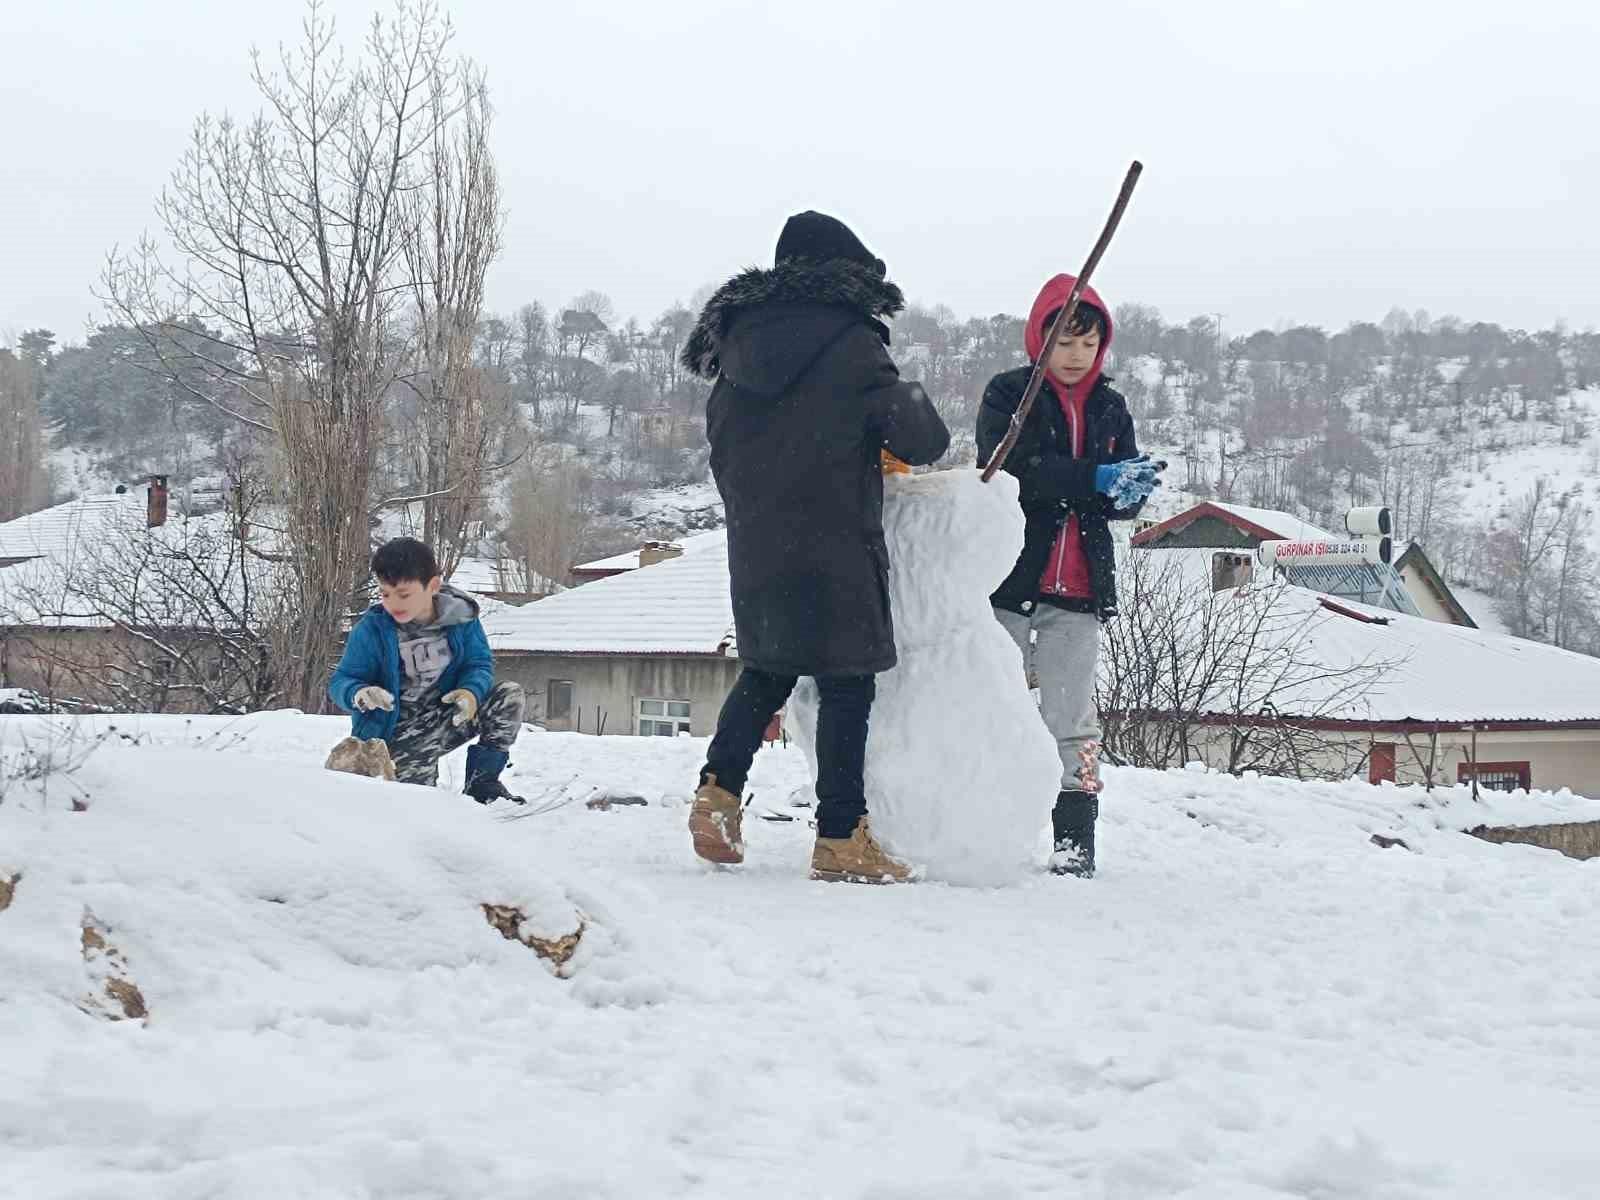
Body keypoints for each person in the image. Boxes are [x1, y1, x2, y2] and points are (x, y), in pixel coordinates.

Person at [681, 210, 950, 883]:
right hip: (836, 537)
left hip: (758, 541)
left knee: (766, 671)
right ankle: (840, 838)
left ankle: (718, 792)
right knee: (846, 682)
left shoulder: (734, 354)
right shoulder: (853, 342)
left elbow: (727, 449)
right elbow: (922, 439)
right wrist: (899, 398)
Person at [977, 275, 1162, 876]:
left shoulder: (1112, 407)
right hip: (1009, 580)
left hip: (1080, 589)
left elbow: (1113, 493)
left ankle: (1074, 840)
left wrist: (1127, 491)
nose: (1076, 356)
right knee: (991, 704)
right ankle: (980, 828)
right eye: (1063, 342)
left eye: (1088, 344)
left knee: (1072, 717)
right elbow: (1011, 469)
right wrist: (1093, 480)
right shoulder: (1010, 395)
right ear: (1038, 340)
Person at [329, 537, 527, 804]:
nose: (393, 603)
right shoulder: (372, 629)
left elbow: (478, 664)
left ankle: (483, 783)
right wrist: (359, 692)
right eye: (385, 594)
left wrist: (470, 692)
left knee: (508, 695)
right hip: (397, 730)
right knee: (419, 803)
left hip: (450, 713)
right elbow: (342, 680)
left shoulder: (461, 618)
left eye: (404, 594)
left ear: (432, 586)